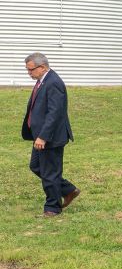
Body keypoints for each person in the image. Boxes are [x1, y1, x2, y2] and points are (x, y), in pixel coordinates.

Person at [22, 52, 79, 217]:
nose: (29, 73)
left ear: (43, 67)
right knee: (36, 166)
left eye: (31, 70)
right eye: (28, 70)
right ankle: (68, 190)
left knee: (50, 172)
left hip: (50, 137)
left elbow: (55, 113)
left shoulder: (53, 82)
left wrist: (43, 136)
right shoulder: (42, 80)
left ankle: (52, 208)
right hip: (40, 136)